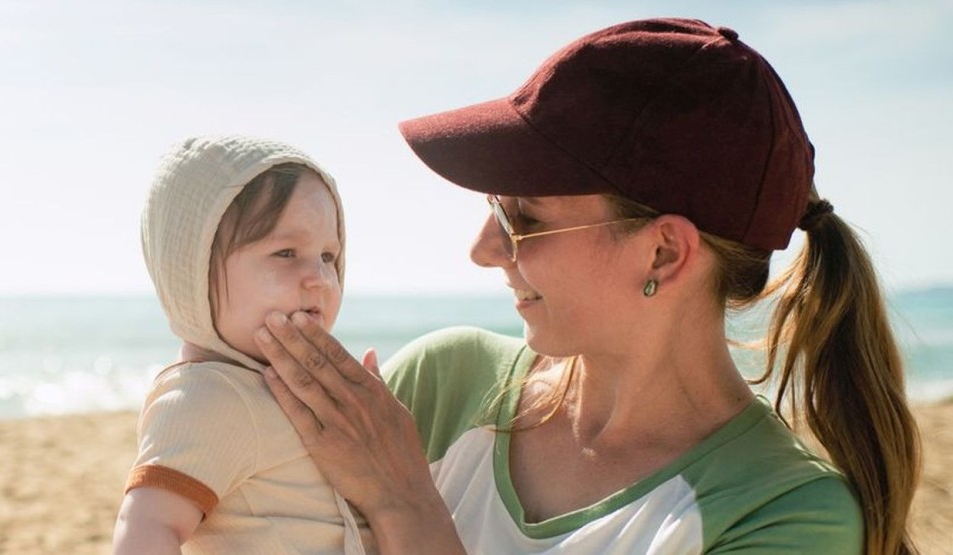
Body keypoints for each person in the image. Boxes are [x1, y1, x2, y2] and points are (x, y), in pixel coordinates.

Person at [252, 18, 921, 554]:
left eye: (524, 219)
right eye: (494, 208)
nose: (483, 250)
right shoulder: (443, 383)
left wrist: (405, 504)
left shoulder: (783, 513)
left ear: (662, 252)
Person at [112, 135, 376, 554]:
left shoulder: (278, 384)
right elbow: (148, 525)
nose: (320, 278)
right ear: (191, 272)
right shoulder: (208, 396)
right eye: (286, 252)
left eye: (329, 256)